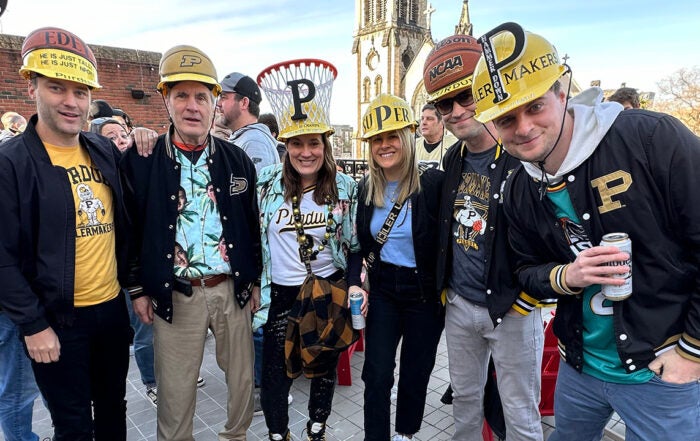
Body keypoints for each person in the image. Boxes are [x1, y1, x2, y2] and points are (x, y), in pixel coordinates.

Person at [472, 22, 700, 441]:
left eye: (535, 106)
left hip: (661, 369)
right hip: (579, 368)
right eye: (506, 118)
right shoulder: (519, 183)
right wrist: (568, 277)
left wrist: (692, 352)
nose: (523, 128)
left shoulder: (651, 137)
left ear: (562, 91)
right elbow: (525, 269)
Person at [122, 44, 261, 441]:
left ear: (215, 103)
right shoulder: (143, 158)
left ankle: (235, 436)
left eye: (202, 96)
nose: (192, 106)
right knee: (175, 396)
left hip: (231, 290)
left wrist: (251, 281)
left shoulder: (237, 160)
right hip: (176, 296)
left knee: (241, 388)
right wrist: (137, 289)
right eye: (181, 95)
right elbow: (131, 230)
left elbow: (250, 226)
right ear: (165, 99)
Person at [0, 27, 133, 440]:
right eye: (57, 88)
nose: (71, 102)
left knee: (113, 410)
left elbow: (128, 219)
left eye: (81, 92)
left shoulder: (102, 149)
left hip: (111, 309)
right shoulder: (11, 163)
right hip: (57, 320)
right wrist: (33, 324)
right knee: (72, 425)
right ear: (32, 87)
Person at [423, 34, 548, 441]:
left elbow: (551, 232)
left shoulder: (521, 153)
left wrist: (527, 298)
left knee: (520, 415)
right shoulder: (453, 157)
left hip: (511, 308)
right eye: (446, 104)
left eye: (465, 96)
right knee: (464, 402)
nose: (457, 111)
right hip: (461, 304)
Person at [256, 59, 363, 441]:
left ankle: (317, 427)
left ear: (325, 145)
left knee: (324, 367)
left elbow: (353, 247)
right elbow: (253, 238)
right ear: (285, 146)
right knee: (275, 374)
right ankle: (277, 433)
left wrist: (354, 284)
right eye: (297, 144)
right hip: (280, 295)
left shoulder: (346, 188)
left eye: (313, 143)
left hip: (327, 291)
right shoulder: (266, 184)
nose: (305, 152)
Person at [355, 93, 444, 441]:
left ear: (407, 137)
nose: (385, 145)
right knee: (376, 373)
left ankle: (406, 432)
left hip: (423, 293)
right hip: (384, 291)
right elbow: (358, 245)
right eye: (377, 139)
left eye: (393, 136)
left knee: (416, 372)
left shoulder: (433, 185)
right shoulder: (366, 189)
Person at [217, 72, 280, 172]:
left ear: (244, 103)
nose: (218, 103)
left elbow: (258, 187)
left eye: (223, 97)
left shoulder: (254, 142)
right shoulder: (246, 138)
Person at [415, 103, 457, 171]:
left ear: (442, 123)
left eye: (429, 119)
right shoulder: (413, 145)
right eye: (422, 119)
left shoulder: (454, 144)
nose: (423, 122)